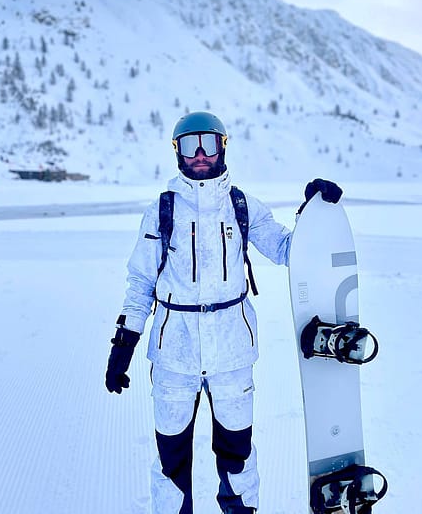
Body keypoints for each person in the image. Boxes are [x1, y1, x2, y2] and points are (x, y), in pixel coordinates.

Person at [105, 111, 342, 514]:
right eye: (190, 144)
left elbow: (288, 250)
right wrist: (123, 343)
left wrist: (313, 212)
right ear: (176, 151)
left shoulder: (241, 205)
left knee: (238, 452)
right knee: (170, 459)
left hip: (232, 352)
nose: (200, 154)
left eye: (209, 143)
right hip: (173, 356)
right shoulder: (161, 210)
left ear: (223, 147)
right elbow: (140, 282)